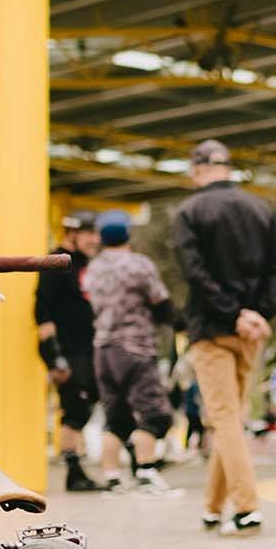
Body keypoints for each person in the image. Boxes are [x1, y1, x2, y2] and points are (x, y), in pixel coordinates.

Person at [173, 138, 276, 535]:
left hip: (210, 329)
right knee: (231, 418)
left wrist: (231, 312)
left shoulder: (189, 212)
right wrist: (258, 314)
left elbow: (195, 274)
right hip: (251, 332)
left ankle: (246, 509)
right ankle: (212, 506)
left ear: (198, 169)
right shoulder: (261, 208)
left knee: (223, 418)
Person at [82, 210, 181, 496]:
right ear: (128, 234)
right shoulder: (139, 265)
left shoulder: (94, 269)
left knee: (116, 417)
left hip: (103, 350)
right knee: (154, 413)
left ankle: (112, 477)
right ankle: (146, 473)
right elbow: (160, 302)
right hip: (134, 347)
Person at [35, 209, 105, 491]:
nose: (95, 240)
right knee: (74, 408)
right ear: (73, 234)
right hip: (67, 350)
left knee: (89, 400)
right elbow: (42, 313)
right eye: (89, 234)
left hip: (87, 348)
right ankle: (74, 471)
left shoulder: (84, 265)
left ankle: (76, 465)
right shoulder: (55, 263)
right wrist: (55, 358)